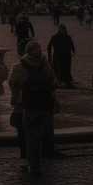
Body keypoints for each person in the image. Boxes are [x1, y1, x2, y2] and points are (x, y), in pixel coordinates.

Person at [8, 40, 58, 177]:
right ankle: (45, 153)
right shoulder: (46, 65)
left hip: (29, 106)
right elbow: (54, 82)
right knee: (42, 131)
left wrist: (15, 100)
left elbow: (12, 83)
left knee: (31, 134)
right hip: (45, 105)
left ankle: (33, 163)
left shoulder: (18, 66)